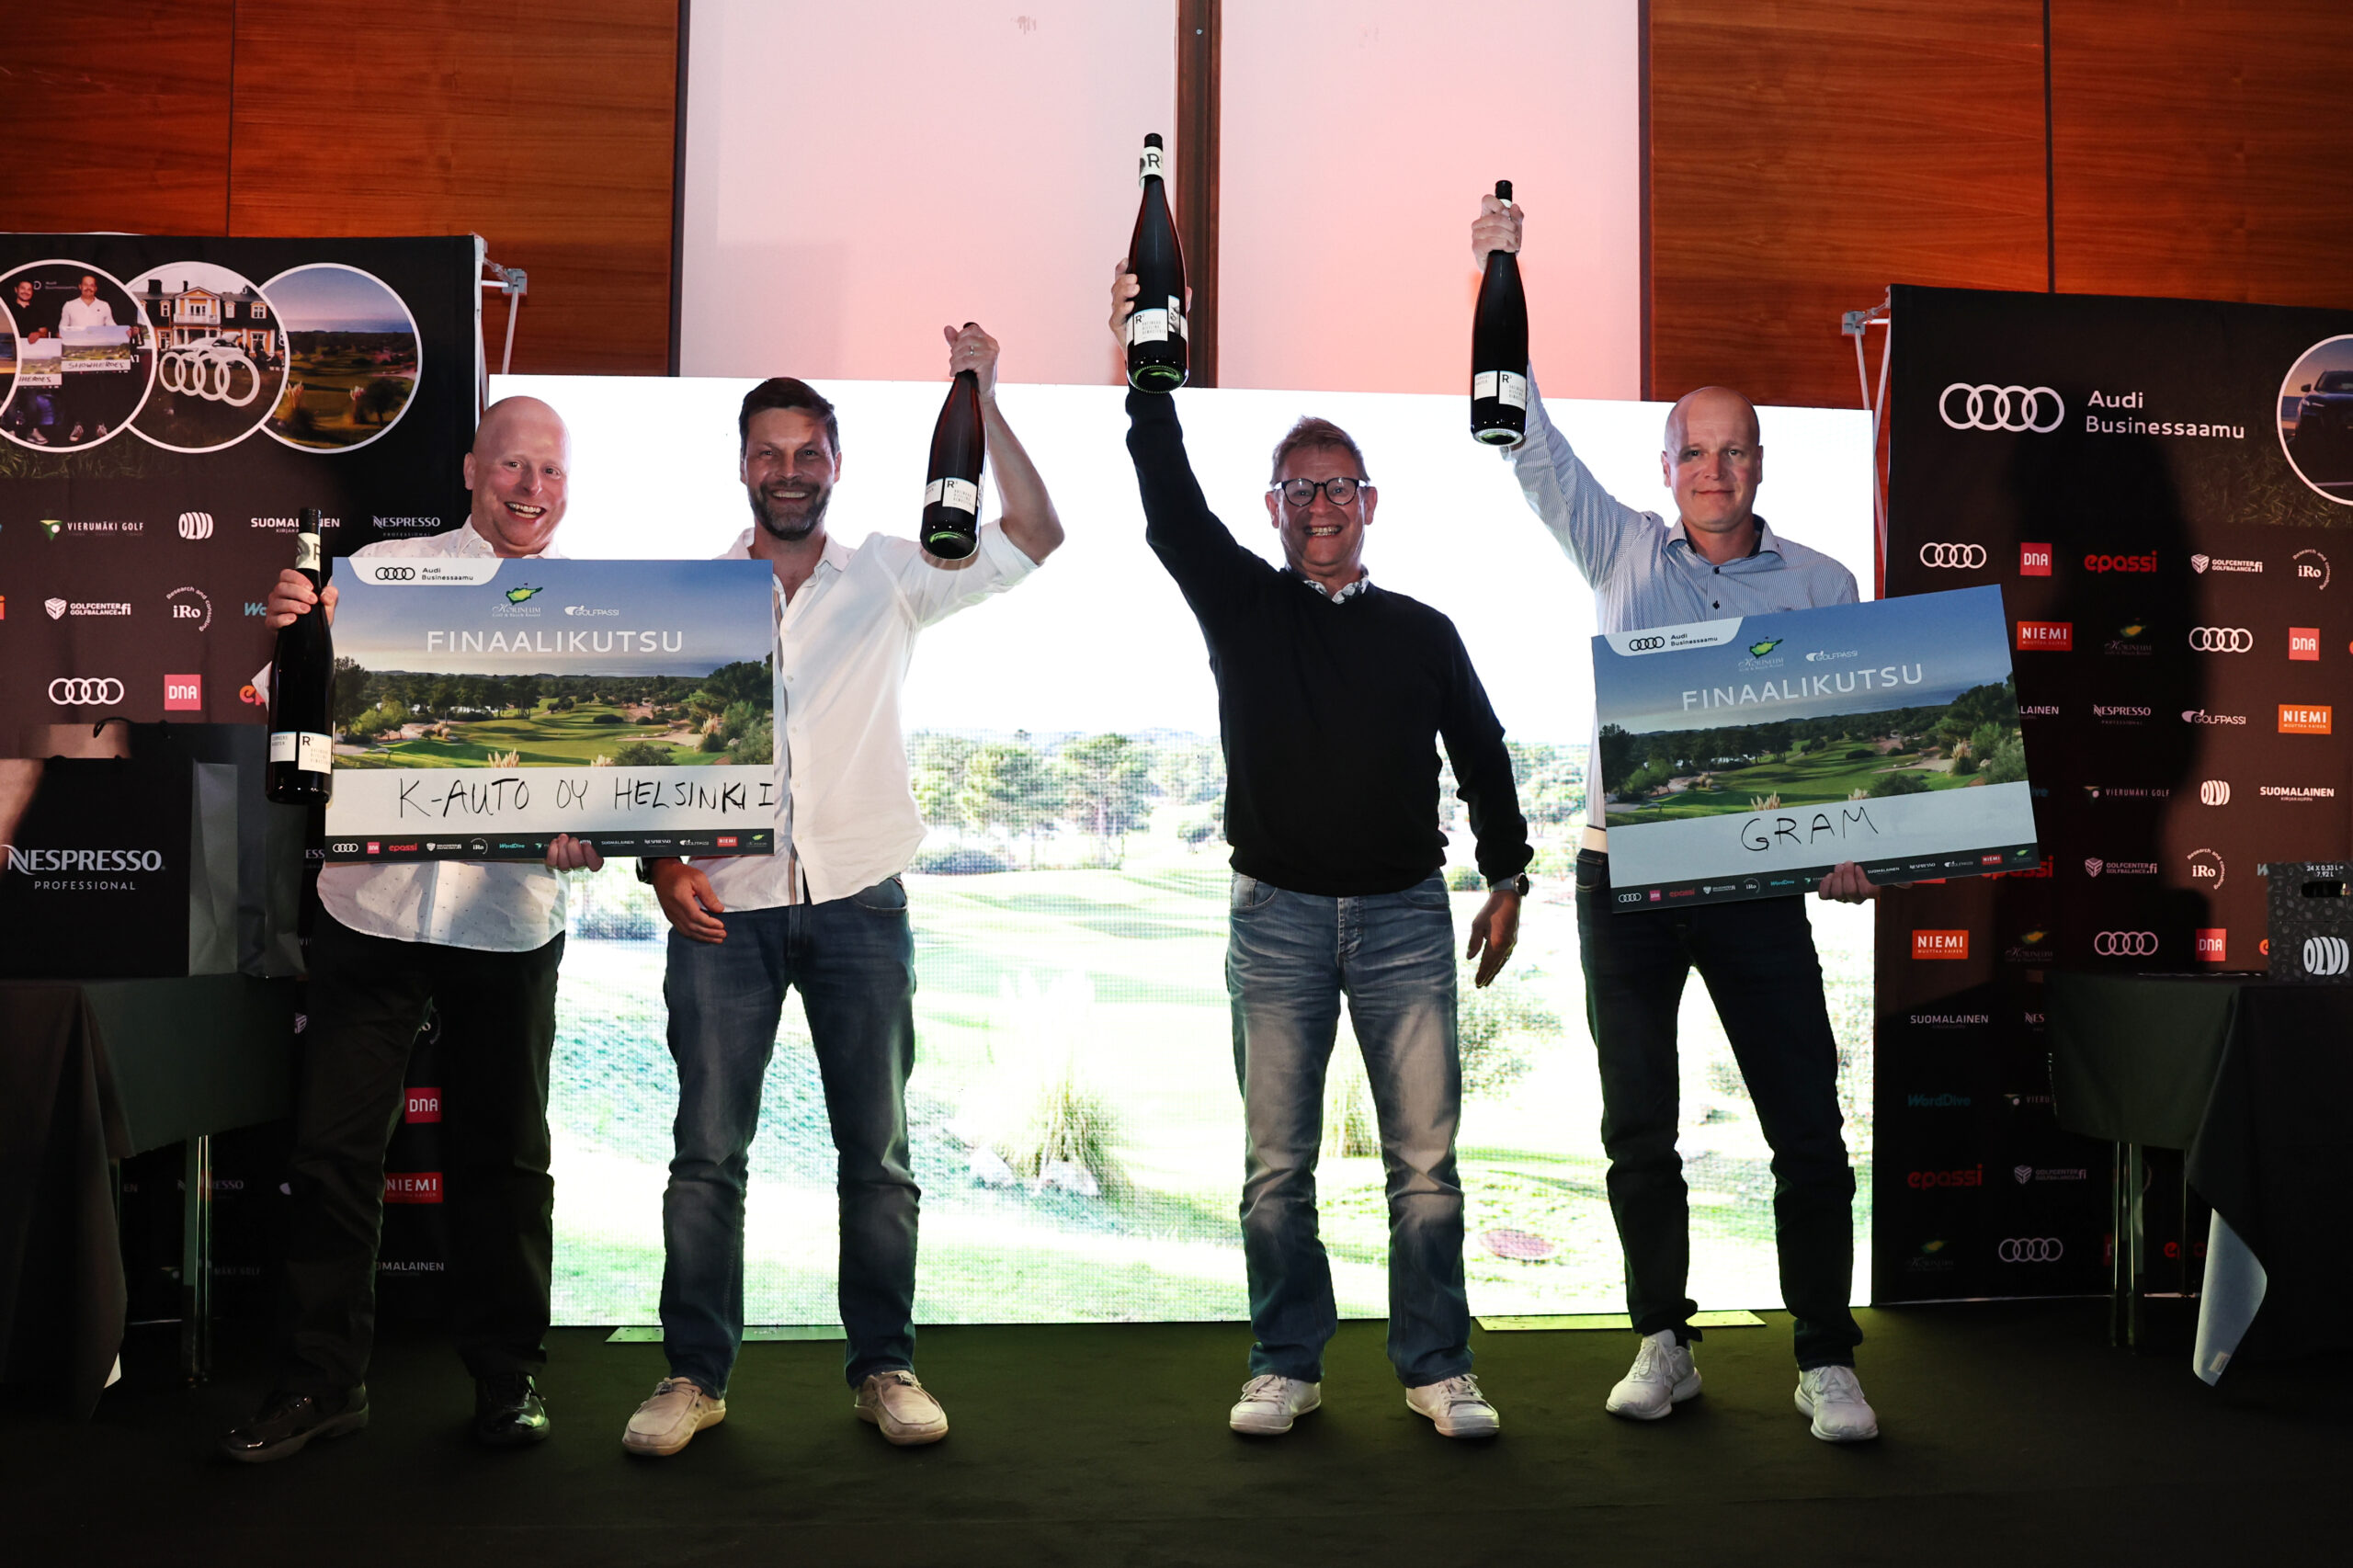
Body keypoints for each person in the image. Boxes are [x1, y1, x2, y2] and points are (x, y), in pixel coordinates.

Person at [1471, 195, 1881, 1443]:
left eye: (1734, 451)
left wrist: (1856, 841)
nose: (1714, 471)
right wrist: (1498, 267)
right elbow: (1527, 437)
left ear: (1761, 462)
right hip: (1626, 879)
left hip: (1755, 883)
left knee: (1807, 1127)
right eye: (1693, 452)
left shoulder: (1824, 584)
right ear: (1666, 469)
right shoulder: (1621, 551)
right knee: (1638, 1126)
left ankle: (1826, 1356)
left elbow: (1863, 748)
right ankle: (1664, 1339)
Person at [620, 324, 1064, 1460]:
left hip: (862, 902)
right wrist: (660, 863)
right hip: (722, 913)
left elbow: (1036, 531)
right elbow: (647, 760)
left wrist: (982, 394)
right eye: (768, 453)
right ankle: (693, 1375)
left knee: (877, 1157)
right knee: (706, 1156)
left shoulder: (892, 572)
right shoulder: (692, 597)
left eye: (806, 452)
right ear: (743, 466)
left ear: (835, 462)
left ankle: (884, 1368)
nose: (788, 471)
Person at [1108, 266, 1533, 1442]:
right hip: (1277, 919)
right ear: (1272, 507)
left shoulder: (1423, 631)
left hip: (1404, 918)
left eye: (1338, 485)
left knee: (1425, 1168)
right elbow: (1168, 511)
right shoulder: (1243, 606)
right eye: (1298, 488)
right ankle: (1284, 1361)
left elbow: (1483, 753)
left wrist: (1506, 874)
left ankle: (1437, 1366)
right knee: (1275, 1168)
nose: (1320, 504)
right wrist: (1145, 380)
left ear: (1370, 500)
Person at [220, 396, 603, 1462]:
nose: (531, 488)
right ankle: (320, 1381)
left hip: (510, 919)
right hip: (369, 909)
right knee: (333, 1154)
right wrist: (294, 629)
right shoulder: (382, 576)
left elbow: (611, 774)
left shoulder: (597, 607)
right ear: (473, 468)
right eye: (514, 465)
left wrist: (597, 826)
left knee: (504, 1159)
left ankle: (507, 1376)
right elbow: (277, 702)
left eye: (551, 471)